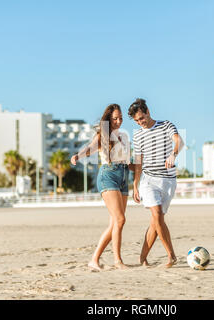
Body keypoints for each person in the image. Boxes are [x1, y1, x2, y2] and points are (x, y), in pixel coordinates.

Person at [71, 104, 131, 271]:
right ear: (108, 119)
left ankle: (94, 260)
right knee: (120, 220)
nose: (118, 121)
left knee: (115, 223)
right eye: (115, 118)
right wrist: (78, 155)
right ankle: (117, 261)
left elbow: (127, 161)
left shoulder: (124, 137)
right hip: (108, 176)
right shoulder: (102, 135)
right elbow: (90, 148)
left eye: (121, 118)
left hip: (124, 177)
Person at [129, 98, 184, 268]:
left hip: (168, 180)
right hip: (148, 180)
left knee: (156, 221)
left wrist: (173, 154)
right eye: (137, 121)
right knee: (157, 214)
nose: (140, 123)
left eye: (142, 118)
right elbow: (138, 162)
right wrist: (135, 185)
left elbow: (179, 141)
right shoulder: (137, 134)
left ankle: (142, 257)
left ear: (148, 112)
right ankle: (171, 256)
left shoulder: (166, 125)